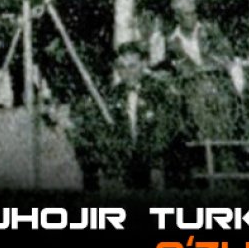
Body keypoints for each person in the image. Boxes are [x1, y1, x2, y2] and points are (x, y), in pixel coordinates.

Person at [68, 42, 190, 191]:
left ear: (143, 64)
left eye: (132, 66)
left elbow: (164, 132)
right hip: (127, 170)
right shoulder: (111, 97)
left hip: (161, 167)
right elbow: (105, 133)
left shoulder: (162, 92)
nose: (127, 72)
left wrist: (145, 161)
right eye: (122, 67)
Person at [166, 0, 243, 141]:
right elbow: (175, 70)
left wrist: (208, 66)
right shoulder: (171, 42)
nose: (193, 17)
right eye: (188, 14)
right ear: (177, 17)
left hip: (219, 85)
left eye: (194, 12)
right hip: (192, 92)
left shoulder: (210, 31)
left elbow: (227, 56)